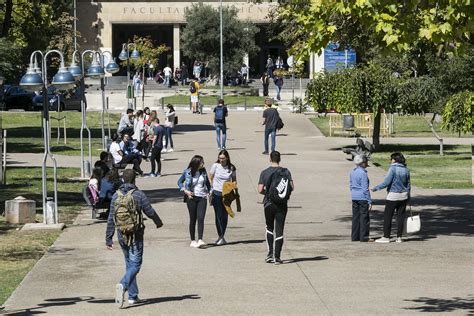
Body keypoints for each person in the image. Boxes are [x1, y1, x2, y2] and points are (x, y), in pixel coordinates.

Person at [106, 169, 163, 309]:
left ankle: (132, 296)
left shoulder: (115, 196)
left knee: (129, 264)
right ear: (134, 179)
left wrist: (108, 238)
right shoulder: (138, 194)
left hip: (121, 235)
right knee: (136, 264)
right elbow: (149, 211)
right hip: (136, 235)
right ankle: (123, 285)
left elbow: (111, 218)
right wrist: (158, 222)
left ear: (123, 180)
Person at [257, 151, 294, 265]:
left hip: (269, 204)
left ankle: (269, 254)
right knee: (279, 230)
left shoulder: (265, 172)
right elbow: (292, 187)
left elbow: (260, 189)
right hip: (282, 205)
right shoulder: (286, 172)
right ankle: (277, 257)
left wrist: (268, 193)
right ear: (280, 159)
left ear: (270, 159)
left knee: (269, 228)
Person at [372, 152, 411, 243]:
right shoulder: (406, 169)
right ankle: (399, 237)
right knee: (400, 217)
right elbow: (408, 185)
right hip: (404, 195)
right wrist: (409, 197)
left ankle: (386, 236)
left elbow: (386, 182)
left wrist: (376, 188)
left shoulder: (393, 168)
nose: (390, 161)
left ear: (394, 160)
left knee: (388, 216)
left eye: (391, 159)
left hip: (393, 195)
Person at [177, 155, 211, 248]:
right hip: (191, 198)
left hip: (202, 197)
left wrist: (209, 192)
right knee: (193, 219)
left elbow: (208, 184)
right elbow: (179, 182)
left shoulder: (203, 172)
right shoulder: (187, 172)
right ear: (196, 163)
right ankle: (193, 240)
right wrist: (185, 190)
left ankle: (200, 239)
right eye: (201, 162)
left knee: (201, 218)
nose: (203, 164)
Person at [209, 150, 237, 245]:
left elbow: (234, 180)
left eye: (223, 158)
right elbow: (210, 176)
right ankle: (220, 236)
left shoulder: (231, 168)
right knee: (218, 214)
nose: (221, 160)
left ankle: (222, 236)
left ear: (227, 158)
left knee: (225, 215)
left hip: (227, 194)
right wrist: (212, 186)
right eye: (219, 158)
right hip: (216, 193)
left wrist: (234, 188)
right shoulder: (215, 166)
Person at [350, 155, 374, 242]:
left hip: (354, 196)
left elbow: (351, 185)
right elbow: (365, 188)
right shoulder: (363, 173)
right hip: (362, 197)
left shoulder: (353, 172)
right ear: (362, 163)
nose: (367, 163)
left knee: (355, 217)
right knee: (364, 217)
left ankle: (355, 236)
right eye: (366, 162)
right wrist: (369, 200)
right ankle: (364, 236)